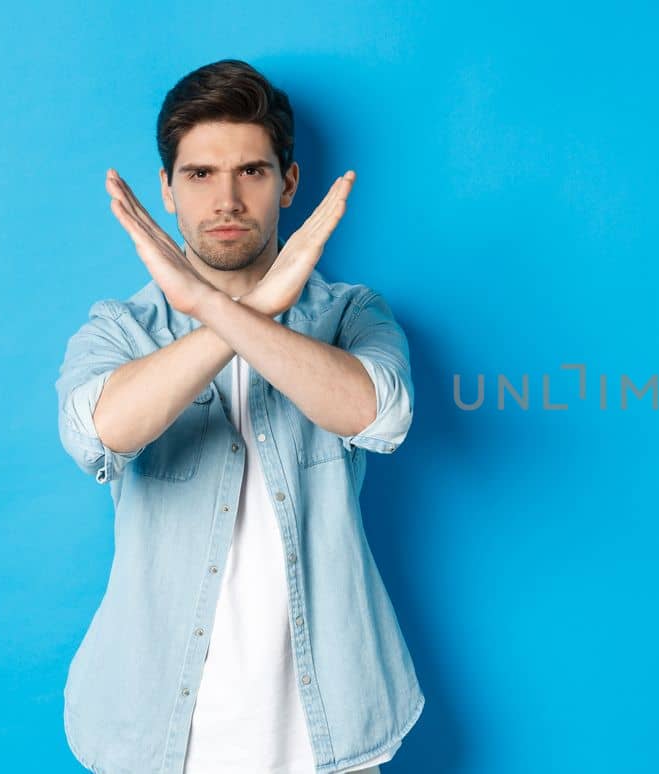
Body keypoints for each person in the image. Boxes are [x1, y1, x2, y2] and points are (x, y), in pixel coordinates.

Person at [55, 59, 424, 773]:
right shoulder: (120, 329)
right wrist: (238, 312)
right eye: (199, 174)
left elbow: (383, 413)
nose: (226, 198)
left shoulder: (351, 313)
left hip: (331, 730)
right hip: (151, 728)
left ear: (287, 182)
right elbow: (95, 432)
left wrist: (216, 308)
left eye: (251, 172)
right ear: (166, 188)